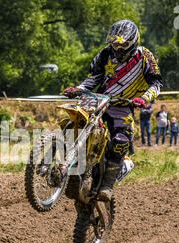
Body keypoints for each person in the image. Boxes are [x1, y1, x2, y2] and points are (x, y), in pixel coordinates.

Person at [63, 20, 162, 201]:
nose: (118, 48)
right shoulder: (105, 53)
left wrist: (144, 98)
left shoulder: (145, 56)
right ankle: (65, 162)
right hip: (99, 100)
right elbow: (93, 78)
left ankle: (107, 185)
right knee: (74, 119)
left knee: (121, 138)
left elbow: (156, 83)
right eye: (115, 43)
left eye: (123, 44)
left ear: (133, 42)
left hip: (123, 104)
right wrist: (78, 89)